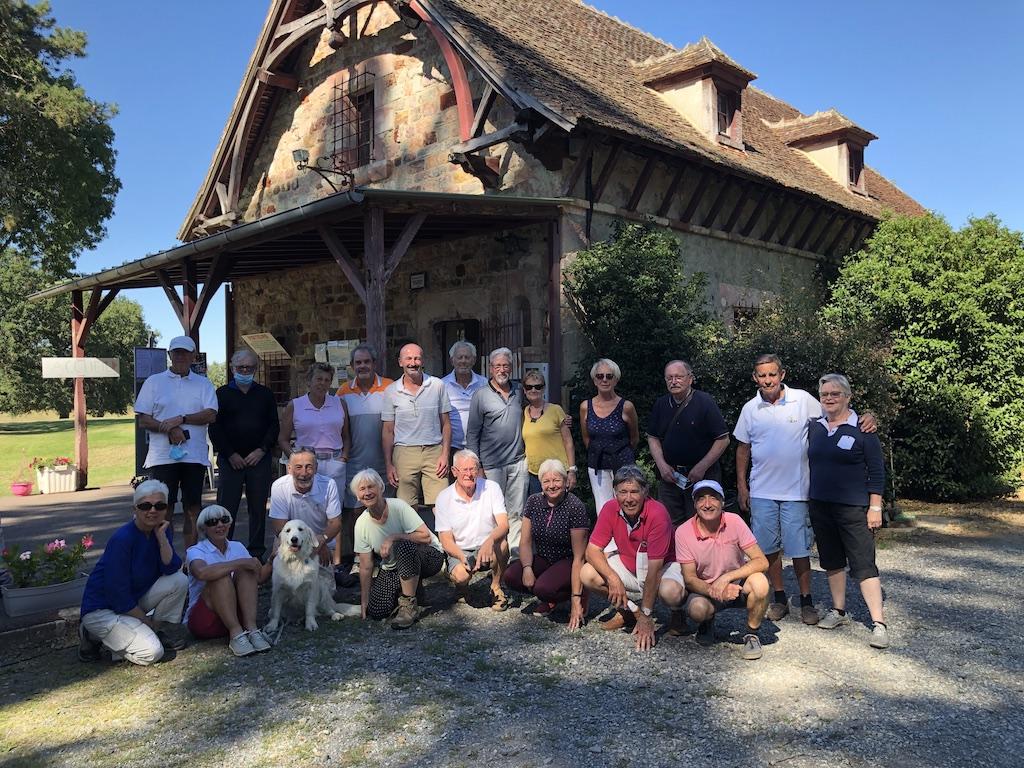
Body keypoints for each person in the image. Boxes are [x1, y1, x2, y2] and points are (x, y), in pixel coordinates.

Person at [734, 354, 877, 625]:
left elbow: (837, 412)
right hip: (762, 491)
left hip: (797, 491)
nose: (767, 380)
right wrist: (742, 486)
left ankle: (806, 600)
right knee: (769, 549)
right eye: (762, 375)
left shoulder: (803, 400)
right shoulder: (749, 409)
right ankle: (778, 598)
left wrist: (867, 416)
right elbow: (743, 448)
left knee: (799, 549)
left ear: (782, 375)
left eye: (772, 374)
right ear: (755, 378)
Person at [807, 373, 889, 649]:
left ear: (847, 397)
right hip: (820, 503)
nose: (829, 398)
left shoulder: (863, 429)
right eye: (825, 394)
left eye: (835, 394)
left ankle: (879, 623)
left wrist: (875, 506)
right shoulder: (815, 427)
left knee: (863, 562)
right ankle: (838, 611)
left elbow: (876, 471)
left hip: (854, 507)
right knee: (831, 560)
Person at [78, 479, 189, 666]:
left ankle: (154, 632)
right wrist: (146, 621)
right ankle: (92, 634)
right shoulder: (122, 539)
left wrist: (162, 539)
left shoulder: (161, 530)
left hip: (132, 601)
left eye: (159, 505)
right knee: (152, 653)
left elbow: (170, 568)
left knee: (179, 580)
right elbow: (117, 593)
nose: (153, 511)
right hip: (103, 609)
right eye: (145, 505)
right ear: (135, 509)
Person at [580, 465, 685, 651]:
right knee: (587, 573)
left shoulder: (658, 513)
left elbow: (654, 570)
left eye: (634, 491)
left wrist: (646, 616)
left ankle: (677, 613)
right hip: (630, 563)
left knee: (672, 592)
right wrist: (613, 578)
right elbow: (592, 551)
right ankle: (628, 611)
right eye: (623, 492)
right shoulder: (610, 508)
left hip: (662, 567)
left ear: (645, 492)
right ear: (615, 493)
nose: (628, 499)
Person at [134, 335, 218, 547]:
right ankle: (164, 554)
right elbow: (143, 418)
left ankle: (192, 556)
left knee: (193, 507)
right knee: (163, 507)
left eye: (185, 353)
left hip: (194, 455)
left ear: (193, 356)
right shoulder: (154, 382)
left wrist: (181, 419)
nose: (180, 356)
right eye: (176, 352)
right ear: (170, 355)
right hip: (163, 456)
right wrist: (169, 429)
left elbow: (210, 414)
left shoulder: (203, 383)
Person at [676, 480, 770, 661]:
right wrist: (717, 589)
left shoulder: (734, 521)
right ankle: (707, 622)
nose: (708, 504)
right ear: (695, 504)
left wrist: (727, 578)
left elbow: (762, 562)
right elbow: (689, 579)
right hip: (705, 587)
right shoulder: (683, 532)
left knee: (760, 583)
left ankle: (752, 634)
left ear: (723, 502)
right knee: (697, 609)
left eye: (714, 498)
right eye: (701, 499)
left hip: (736, 583)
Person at [351, 469, 445, 629]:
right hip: (394, 565)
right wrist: (364, 601)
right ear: (358, 497)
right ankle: (413, 589)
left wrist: (394, 537)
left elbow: (425, 537)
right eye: (362, 489)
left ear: (381, 488)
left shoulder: (398, 506)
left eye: (371, 487)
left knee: (404, 545)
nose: (367, 492)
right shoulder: (361, 524)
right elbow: (366, 566)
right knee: (377, 610)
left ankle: (408, 605)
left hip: (428, 556)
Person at [278, 362, 351, 569]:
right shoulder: (296, 405)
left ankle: (334, 565)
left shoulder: (339, 403)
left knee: (333, 513)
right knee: (306, 509)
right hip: (306, 465)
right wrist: (295, 460)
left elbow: (347, 436)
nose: (323, 383)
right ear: (309, 381)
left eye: (327, 380)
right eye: (319, 379)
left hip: (334, 462)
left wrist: (344, 457)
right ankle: (300, 558)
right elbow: (283, 438)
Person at [209, 348, 279, 560]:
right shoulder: (220, 394)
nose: (245, 371)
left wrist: (262, 450)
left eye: (249, 368)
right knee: (225, 509)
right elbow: (215, 427)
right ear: (232, 368)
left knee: (258, 509)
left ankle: (256, 554)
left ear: (256, 369)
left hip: (259, 459)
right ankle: (223, 552)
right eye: (240, 367)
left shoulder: (265, 394)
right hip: (231, 460)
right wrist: (230, 454)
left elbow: (274, 425)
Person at [503, 459, 589, 625]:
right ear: (541, 483)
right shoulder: (533, 501)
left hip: (568, 560)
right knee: (512, 576)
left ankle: (575, 592)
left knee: (543, 588)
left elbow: (580, 556)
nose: (552, 485)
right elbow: (525, 541)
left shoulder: (575, 506)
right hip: (544, 556)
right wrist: (527, 568)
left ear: (565, 482)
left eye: (557, 480)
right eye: (546, 481)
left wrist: (576, 599)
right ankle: (549, 596)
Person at [337, 343, 394, 585]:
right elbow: (341, 428)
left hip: (383, 462)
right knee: (354, 511)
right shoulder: (342, 392)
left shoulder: (390, 387)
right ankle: (360, 556)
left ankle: (386, 556)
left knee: (384, 508)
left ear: (374, 363)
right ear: (352, 367)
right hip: (355, 462)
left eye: (366, 362)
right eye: (358, 363)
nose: (362, 366)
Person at [647, 360, 730, 525]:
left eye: (678, 377)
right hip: (670, 477)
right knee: (669, 524)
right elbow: (653, 437)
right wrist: (662, 466)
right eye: (669, 378)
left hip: (702, 476)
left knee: (703, 523)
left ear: (690, 379)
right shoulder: (661, 404)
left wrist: (702, 466)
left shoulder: (705, 402)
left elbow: (723, 439)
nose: (674, 381)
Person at [185, 504, 274, 656]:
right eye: (213, 522)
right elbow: (201, 573)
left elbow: (257, 578)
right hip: (205, 620)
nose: (220, 525)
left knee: (245, 572)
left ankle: (252, 629)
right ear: (203, 528)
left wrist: (272, 560)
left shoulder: (237, 546)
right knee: (220, 577)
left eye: (224, 520)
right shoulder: (195, 551)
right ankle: (236, 634)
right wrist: (241, 563)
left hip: (237, 615)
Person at [466, 347, 529, 555]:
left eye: (505, 365)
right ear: (490, 369)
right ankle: (492, 552)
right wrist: (477, 467)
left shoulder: (520, 391)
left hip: (518, 461)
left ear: (511, 367)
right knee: (492, 512)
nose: (502, 369)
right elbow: (472, 434)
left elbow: (537, 409)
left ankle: (514, 553)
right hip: (491, 465)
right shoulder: (480, 395)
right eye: (497, 366)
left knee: (516, 511)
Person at [434, 450, 510, 611]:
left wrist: (489, 542)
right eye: (465, 470)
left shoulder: (491, 488)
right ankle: (462, 588)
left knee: (502, 544)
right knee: (461, 576)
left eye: (473, 469)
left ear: (478, 470)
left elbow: (504, 525)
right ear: (454, 472)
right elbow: (446, 539)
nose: (469, 474)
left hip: (486, 546)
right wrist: (462, 557)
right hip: (460, 549)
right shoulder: (444, 497)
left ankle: (496, 587)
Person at [381, 343, 452, 515]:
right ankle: (412, 542)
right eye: (409, 358)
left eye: (417, 358)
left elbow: (446, 424)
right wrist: (389, 464)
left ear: (423, 361)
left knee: (441, 505)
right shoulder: (391, 391)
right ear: (400, 362)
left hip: (433, 451)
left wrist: (445, 454)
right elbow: (388, 430)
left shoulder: (437, 385)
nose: (413, 362)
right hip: (404, 452)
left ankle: (443, 542)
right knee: (406, 508)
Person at [580, 359, 638, 512]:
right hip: (597, 465)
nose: (604, 379)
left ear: (616, 380)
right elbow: (586, 438)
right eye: (600, 376)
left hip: (623, 464)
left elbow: (634, 438)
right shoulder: (585, 407)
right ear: (594, 380)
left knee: (628, 506)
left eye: (609, 376)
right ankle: (609, 537)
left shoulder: (626, 406)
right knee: (604, 509)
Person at [268, 449, 341, 565]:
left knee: (324, 581)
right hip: (290, 541)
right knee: (284, 578)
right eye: (298, 467)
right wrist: (311, 545)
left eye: (309, 467)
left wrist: (321, 541)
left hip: (321, 541)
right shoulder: (279, 486)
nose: (304, 473)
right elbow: (279, 528)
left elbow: (335, 523)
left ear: (316, 468)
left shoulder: (329, 484)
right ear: (289, 469)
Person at [521, 370, 577, 496]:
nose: (533, 390)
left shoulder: (555, 410)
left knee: (560, 512)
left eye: (538, 386)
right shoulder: (523, 413)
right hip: (534, 474)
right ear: (524, 390)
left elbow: (568, 442)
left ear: (544, 388)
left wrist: (572, 470)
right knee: (539, 512)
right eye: (529, 387)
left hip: (557, 472)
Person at [441, 340, 487, 462]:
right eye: (459, 357)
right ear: (452, 360)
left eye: (467, 357)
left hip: (479, 447)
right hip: (451, 447)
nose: (463, 361)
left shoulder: (484, 384)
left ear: (474, 360)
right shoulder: (442, 385)